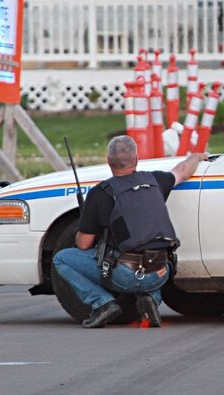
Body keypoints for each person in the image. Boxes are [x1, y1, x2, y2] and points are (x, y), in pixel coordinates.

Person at [53, 135, 207, 329]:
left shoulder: (100, 193)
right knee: (151, 257)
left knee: (62, 259)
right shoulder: (156, 180)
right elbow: (183, 170)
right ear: (136, 159)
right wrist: (196, 157)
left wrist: (85, 225)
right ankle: (151, 298)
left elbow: (83, 244)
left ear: (109, 162)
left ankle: (102, 303)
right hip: (161, 272)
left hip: (125, 276)